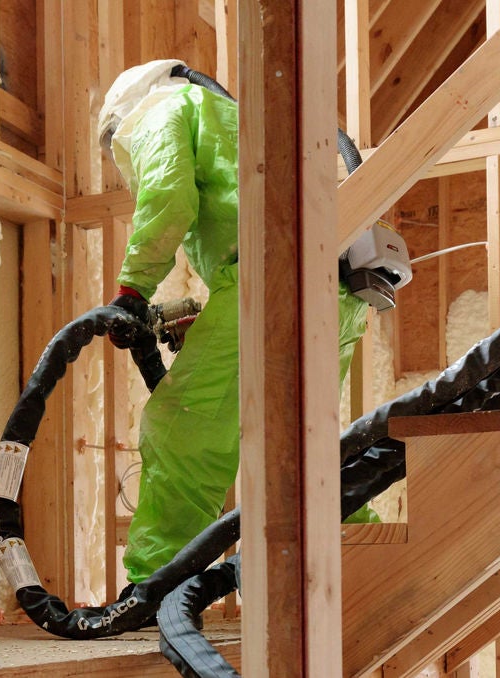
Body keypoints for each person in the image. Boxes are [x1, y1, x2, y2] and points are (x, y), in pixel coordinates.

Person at [98, 59, 382, 583]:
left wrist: (132, 291)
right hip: (336, 289)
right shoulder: (231, 119)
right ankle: (364, 569)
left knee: (180, 430)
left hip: (269, 285)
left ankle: (158, 588)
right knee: (300, 445)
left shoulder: (161, 110)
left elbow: (167, 197)